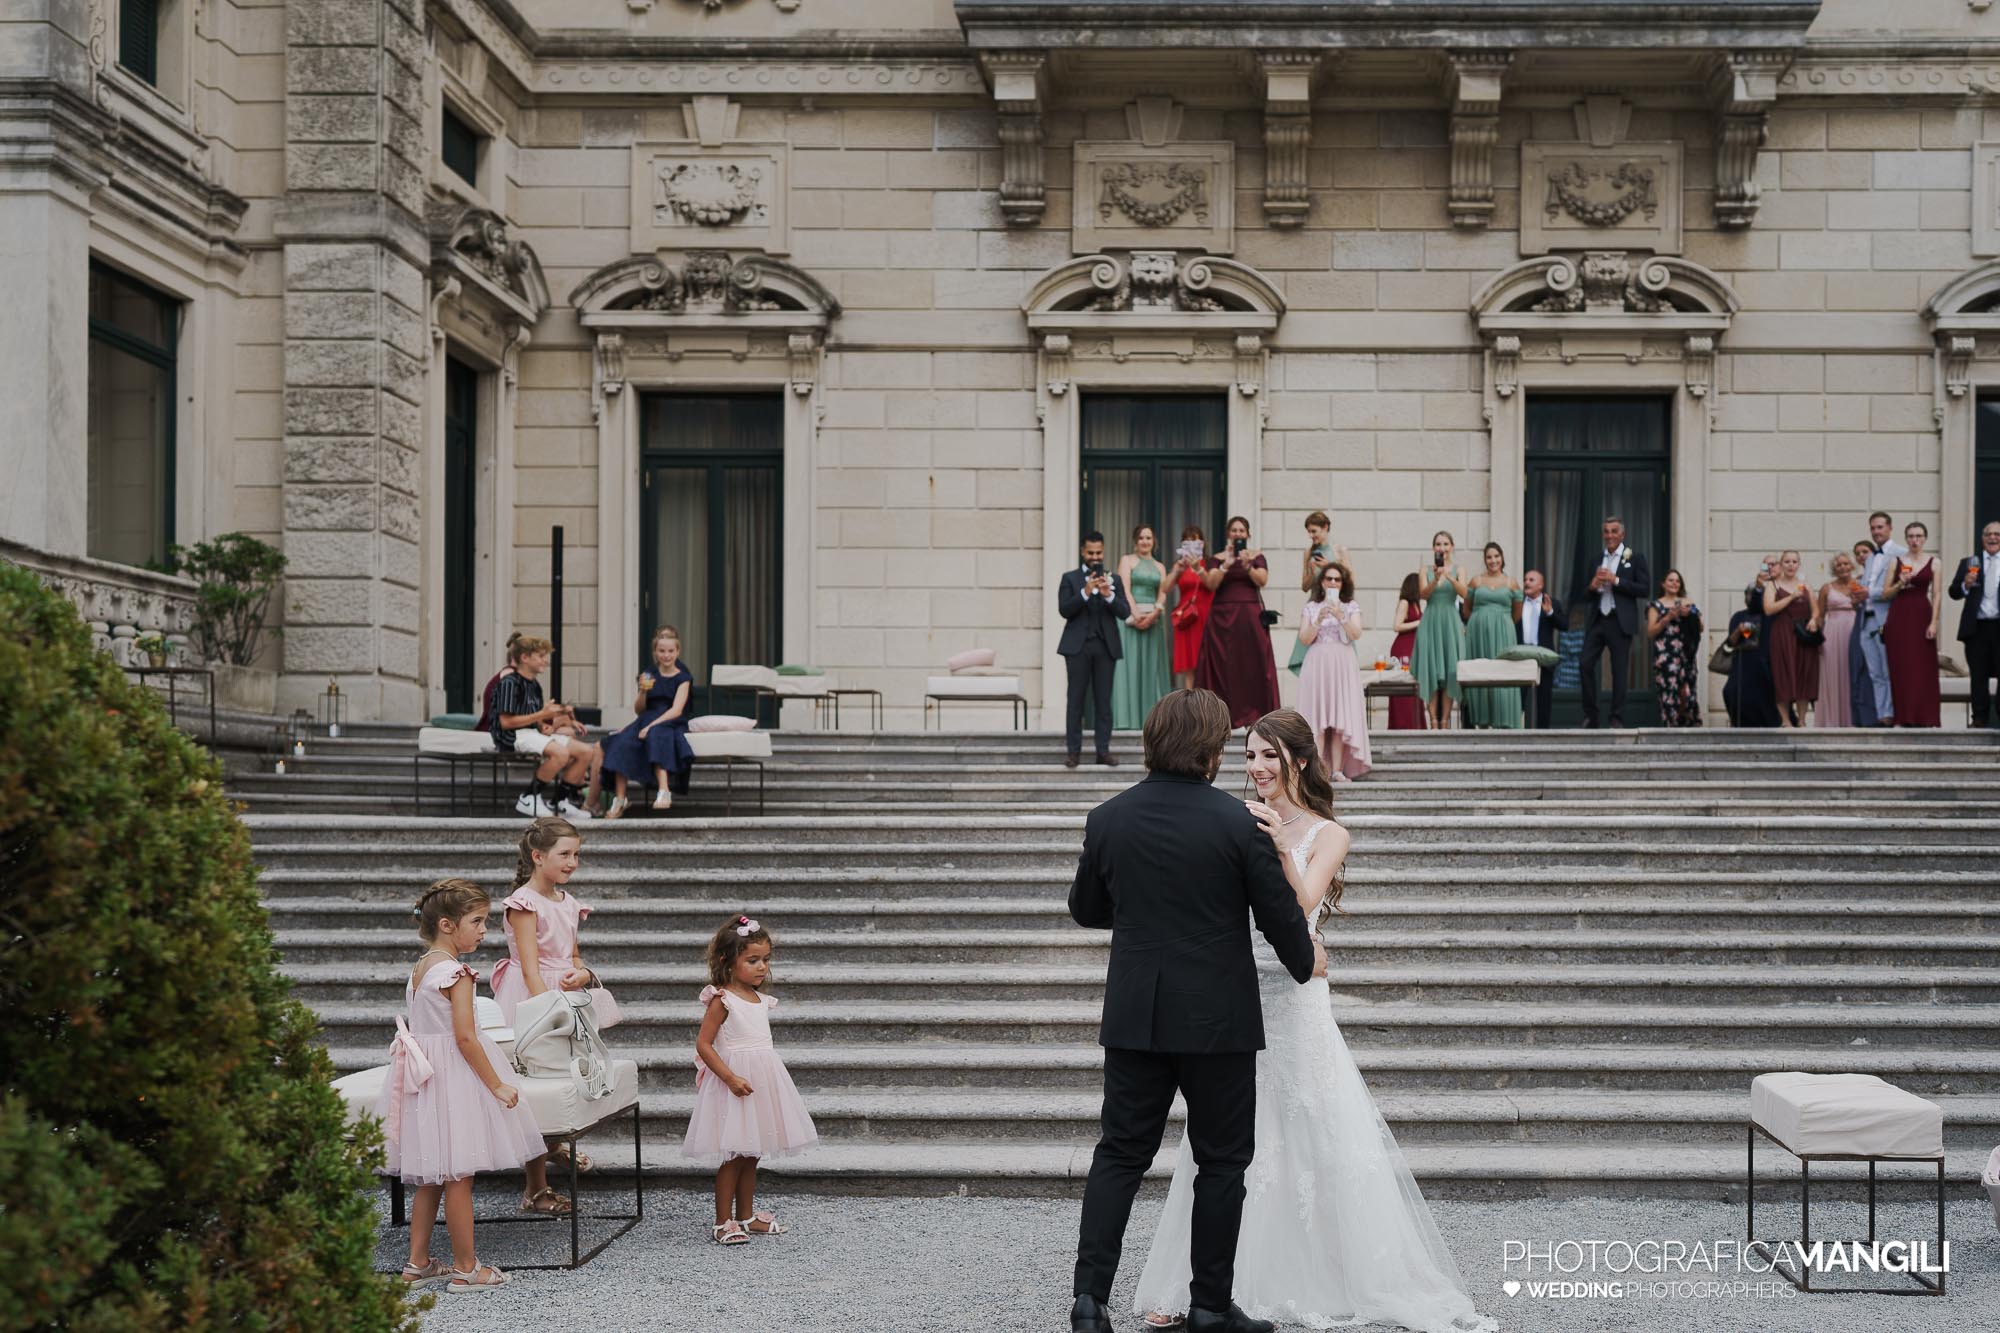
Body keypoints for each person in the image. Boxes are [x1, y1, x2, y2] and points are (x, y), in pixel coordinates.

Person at [1133, 710, 1495, 1333]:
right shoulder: (1232, 818)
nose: (1256, 769)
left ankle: (1319, 1274)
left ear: (1298, 760)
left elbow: (1300, 905)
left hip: (1296, 996)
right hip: (1234, 989)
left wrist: (1277, 844)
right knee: (1223, 1139)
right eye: (1248, 757)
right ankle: (1204, 1283)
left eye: (1268, 756)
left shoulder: (1328, 834)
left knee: (1310, 1124)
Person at [1068, 689, 1324, 1333]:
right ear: (1211, 750)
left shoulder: (1108, 818)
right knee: (1222, 1160)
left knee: (1120, 1154)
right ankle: (1210, 1306)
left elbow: (1087, 909)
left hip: (1136, 1015)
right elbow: (1276, 916)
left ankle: (1089, 1301)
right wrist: (1307, 963)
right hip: (1218, 1019)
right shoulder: (1240, 823)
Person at [379, 879, 549, 1293]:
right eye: (477, 921)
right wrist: (497, 1086)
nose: (484, 929)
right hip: (452, 1077)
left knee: (432, 1176)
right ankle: (467, 1267)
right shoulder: (458, 972)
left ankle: (417, 1263)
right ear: (447, 925)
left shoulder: (421, 968)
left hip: (428, 1079)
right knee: (458, 1175)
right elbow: (466, 1038)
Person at [491, 819, 618, 1193]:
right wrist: (548, 1012)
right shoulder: (524, 903)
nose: (572, 862)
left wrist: (582, 974)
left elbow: (573, 955)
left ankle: (553, 1144)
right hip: (534, 998)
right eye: (564, 854)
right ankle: (536, 1185)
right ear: (537, 856)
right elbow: (531, 969)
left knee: (569, 1073)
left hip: (566, 995)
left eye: (577, 854)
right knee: (534, 1080)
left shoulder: (569, 902)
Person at [684, 915, 819, 1245]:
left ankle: (745, 1215)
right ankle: (722, 1221)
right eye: (753, 960)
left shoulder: (761, 1000)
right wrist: (729, 1077)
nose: (762, 967)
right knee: (734, 1155)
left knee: (752, 1152)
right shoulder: (722, 999)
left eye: (766, 960)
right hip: (736, 1083)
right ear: (727, 961)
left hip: (762, 1081)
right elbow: (703, 1043)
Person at [490, 634, 600, 820]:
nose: (546, 661)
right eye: (540, 656)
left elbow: (533, 717)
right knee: (561, 753)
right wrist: (542, 715)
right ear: (524, 658)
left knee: (586, 752)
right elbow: (506, 723)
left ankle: (560, 802)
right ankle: (528, 797)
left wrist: (543, 725)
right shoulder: (509, 683)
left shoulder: (535, 685)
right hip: (509, 736)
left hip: (529, 733)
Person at [1195, 516, 1282, 729]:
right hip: (1222, 618)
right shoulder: (1217, 558)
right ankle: (1220, 716)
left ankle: (1256, 716)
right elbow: (1211, 583)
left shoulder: (1256, 556)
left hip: (1249, 618)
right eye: (1234, 530)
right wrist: (1225, 565)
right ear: (1228, 534)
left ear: (1248, 534)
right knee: (1224, 665)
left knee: (1253, 664)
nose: (1237, 534)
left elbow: (1262, 580)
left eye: (1241, 530)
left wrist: (1247, 565)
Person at [601, 625, 696, 817]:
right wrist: (643, 691)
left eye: (670, 651)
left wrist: (651, 726)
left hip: (670, 720)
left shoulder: (683, 678)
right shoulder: (649, 674)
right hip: (647, 717)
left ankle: (664, 791)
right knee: (621, 741)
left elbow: (677, 710)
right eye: (662, 651)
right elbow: (639, 710)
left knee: (656, 736)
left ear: (677, 651)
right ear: (655, 652)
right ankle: (620, 798)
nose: (666, 655)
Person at [1059, 531, 1133, 768]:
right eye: (1090, 552)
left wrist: (1108, 595)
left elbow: (1124, 612)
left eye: (1098, 552)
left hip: (1105, 646)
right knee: (1075, 700)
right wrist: (1085, 591)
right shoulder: (1070, 578)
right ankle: (1073, 752)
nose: (1095, 557)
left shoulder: (1114, 580)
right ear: (1083, 552)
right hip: (1077, 647)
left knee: (1103, 701)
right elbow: (1064, 610)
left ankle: (1103, 751)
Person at [1295, 562, 1371, 780]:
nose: (1333, 582)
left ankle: (1337, 769)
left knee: (1340, 719)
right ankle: (1316, 771)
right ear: (1322, 582)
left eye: (1337, 579)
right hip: (1317, 663)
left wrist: (1341, 615)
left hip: (1342, 664)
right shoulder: (1311, 607)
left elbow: (1356, 633)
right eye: (1329, 578)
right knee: (1316, 719)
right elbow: (1304, 638)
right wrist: (1318, 619)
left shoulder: (1350, 606)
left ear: (1342, 583)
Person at [1574, 516, 1650, 729]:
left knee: (1619, 671)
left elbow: (1644, 589)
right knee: (1584, 664)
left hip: (1620, 621)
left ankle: (1616, 717)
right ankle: (1591, 715)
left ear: (1622, 534)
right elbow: (1585, 596)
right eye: (1606, 531)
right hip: (1599, 619)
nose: (1609, 535)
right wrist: (1592, 585)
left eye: (1613, 531)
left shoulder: (1635, 558)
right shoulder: (1596, 559)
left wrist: (1615, 580)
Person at [1882, 521, 1943, 728]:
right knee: (1901, 667)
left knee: (1923, 667)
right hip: (1899, 614)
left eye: (1918, 536)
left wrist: (1934, 622)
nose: (1914, 540)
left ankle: (1927, 717)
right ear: (1906, 539)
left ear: (1925, 539)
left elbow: (1936, 594)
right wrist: (1900, 582)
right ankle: (1902, 717)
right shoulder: (1896, 561)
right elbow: (1885, 593)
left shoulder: (1935, 562)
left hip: (1922, 613)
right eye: (1910, 536)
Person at [1114, 525, 1174, 730]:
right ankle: (1128, 719)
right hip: (1131, 619)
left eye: (1148, 537)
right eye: (1141, 537)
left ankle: (1153, 720)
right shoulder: (1127, 560)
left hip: (1153, 621)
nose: (1145, 541)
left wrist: (1155, 613)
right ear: (1135, 540)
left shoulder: (1159, 566)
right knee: (1131, 667)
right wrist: (1136, 613)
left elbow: (1163, 592)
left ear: (1154, 541)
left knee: (1151, 667)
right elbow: (1124, 588)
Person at [1461, 542, 1524, 729]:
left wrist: (1502, 623)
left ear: (1502, 558)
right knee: (1479, 670)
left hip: (1504, 630)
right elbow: (1466, 609)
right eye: (1489, 557)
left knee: (1503, 670)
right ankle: (1480, 719)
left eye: (1496, 556)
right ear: (1485, 560)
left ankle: (1504, 719)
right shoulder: (1476, 581)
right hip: (1477, 632)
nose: (1493, 560)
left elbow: (1517, 612)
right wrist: (1480, 622)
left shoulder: (1511, 582)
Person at [1947, 521, 2000, 729]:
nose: (1993, 538)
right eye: (1988, 534)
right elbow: (1953, 592)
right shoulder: (1969, 562)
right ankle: (1979, 717)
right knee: (1978, 675)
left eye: (1997, 534)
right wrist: (1965, 585)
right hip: (1976, 628)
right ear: (1982, 538)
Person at [1413, 531, 1468, 730]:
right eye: (1438, 544)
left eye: (1445, 544)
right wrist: (1436, 578)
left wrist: (1449, 577)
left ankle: (1445, 719)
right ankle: (1433, 721)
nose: (1441, 548)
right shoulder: (1425, 569)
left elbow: (1464, 593)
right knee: (1431, 669)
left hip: (1450, 621)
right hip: (1431, 620)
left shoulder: (1459, 569)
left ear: (1451, 547)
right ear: (1433, 547)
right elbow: (1423, 595)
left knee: (1449, 670)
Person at [1859, 512, 1907, 726]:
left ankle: (1897, 713)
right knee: (1875, 672)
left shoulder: (1901, 554)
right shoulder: (1870, 557)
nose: (1876, 532)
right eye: (1873, 528)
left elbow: (1898, 589)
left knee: (1890, 670)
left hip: (1887, 619)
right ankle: (1883, 715)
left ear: (1889, 528)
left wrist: (1869, 592)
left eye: (1879, 527)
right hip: (1865, 619)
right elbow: (1864, 588)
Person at [1763, 551, 1821, 728]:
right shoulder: (1772, 585)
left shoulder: (1806, 585)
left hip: (1802, 635)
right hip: (1781, 634)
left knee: (1804, 674)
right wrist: (1791, 597)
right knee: (1783, 675)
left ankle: (1802, 720)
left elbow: (1816, 609)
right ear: (1781, 565)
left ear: (1799, 565)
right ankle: (1786, 720)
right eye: (1787, 561)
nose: (1790, 565)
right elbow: (1769, 609)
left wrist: (1813, 619)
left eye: (1794, 562)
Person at [1286, 511, 1345, 677]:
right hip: (1314, 605)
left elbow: (1350, 578)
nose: (1311, 536)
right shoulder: (1308, 552)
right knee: (1309, 654)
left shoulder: (1339, 550)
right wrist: (1312, 572)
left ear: (1325, 527)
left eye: (1314, 531)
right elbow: (1304, 586)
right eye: (1309, 532)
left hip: (1335, 605)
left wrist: (1330, 565)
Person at [1814, 553, 1866, 728]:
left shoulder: (1859, 585)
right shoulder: (1826, 588)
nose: (1843, 567)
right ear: (1834, 569)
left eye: (1845, 564)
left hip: (1854, 631)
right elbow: (1820, 616)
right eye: (1838, 565)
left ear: (1851, 566)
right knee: (1832, 674)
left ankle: (1854, 718)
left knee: (1853, 673)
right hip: (1832, 633)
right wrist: (1818, 639)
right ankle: (1832, 719)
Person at [1646, 569, 1703, 728]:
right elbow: (1650, 631)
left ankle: (1690, 726)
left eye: (1677, 581)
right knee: (1669, 693)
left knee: (1688, 693)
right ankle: (1671, 727)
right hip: (1666, 655)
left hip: (1685, 653)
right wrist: (1668, 617)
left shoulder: (1687, 602)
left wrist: (1690, 614)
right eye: (1670, 580)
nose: (1674, 583)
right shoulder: (1655, 605)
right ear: (1663, 584)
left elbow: (1701, 627)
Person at [1517, 568, 1566, 729]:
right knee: (1518, 698)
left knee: (1544, 699)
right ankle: (1516, 731)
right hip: (1521, 656)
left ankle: (1542, 734)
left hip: (1543, 656)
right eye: (1525, 579)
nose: (1526, 583)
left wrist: (1550, 612)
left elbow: (1564, 625)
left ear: (1541, 585)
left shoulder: (1551, 602)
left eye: (1531, 580)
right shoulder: (1518, 603)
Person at [1169, 526, 1213, 691]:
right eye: (1187, 540)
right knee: (1189, 667)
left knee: (1206, 663)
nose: (1192, 543)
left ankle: (1208, 705)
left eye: (1195, 539)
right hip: (1187, 617)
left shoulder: (1209, 563)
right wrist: (1176, 571)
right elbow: (1165, 588)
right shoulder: (1180, 564)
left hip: (1205, 615)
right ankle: (1190, 705)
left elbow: (1212, 584)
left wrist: (1198, 568)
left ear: (1202, 542)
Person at [1388, 572, 1427, 731]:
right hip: (1403, 647)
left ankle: (1415, 725)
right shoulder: (1405, 602)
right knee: (1403, 689)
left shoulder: (1417, 604)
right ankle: (1403, 725)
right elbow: (1396, 626)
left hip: (1414, 646)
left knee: (1414, 690)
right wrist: (1419, 622)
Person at [1848, 539, 1880, 727]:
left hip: (1878, 624)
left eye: (1865, 552)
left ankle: (1877, 716)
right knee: (1858, 668)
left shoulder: (1882, 574)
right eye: (1858, 553)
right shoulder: (1857, 580)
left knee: (1875, 670)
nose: (1861, 556)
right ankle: (1860, 717)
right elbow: (1855, 605)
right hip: (1860, 623)